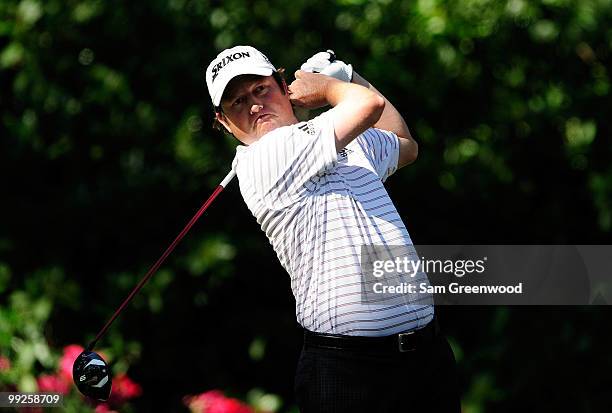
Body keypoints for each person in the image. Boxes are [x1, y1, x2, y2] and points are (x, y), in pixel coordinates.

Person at [205, 46, 460, 412]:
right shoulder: (264, 157)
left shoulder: (334, 139)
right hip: (349, 371)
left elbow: (405, 145)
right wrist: (329, 86)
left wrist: (347, 75)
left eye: (261, 89)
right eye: (237, 102)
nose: (255, 105)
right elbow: (367, 107)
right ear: (225, 122)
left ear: (283, 85)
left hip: (426, 357)